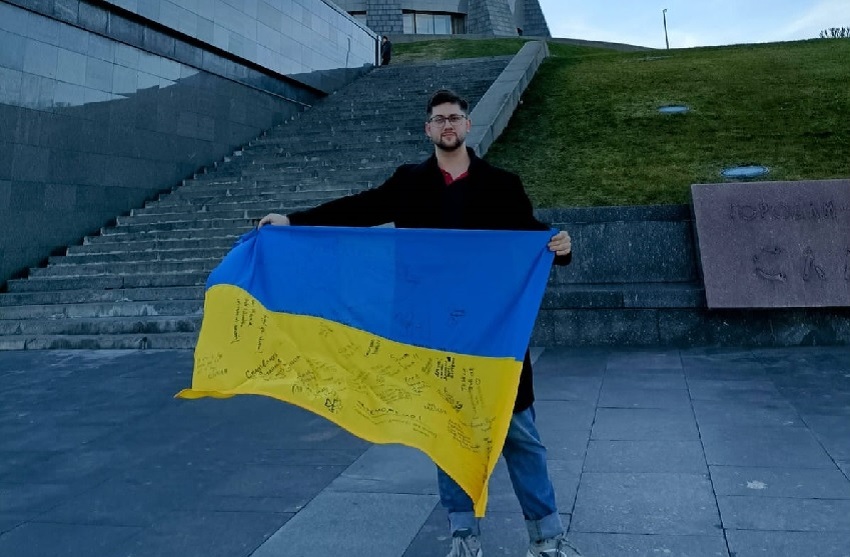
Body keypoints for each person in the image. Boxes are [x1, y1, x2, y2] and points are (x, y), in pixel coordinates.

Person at [258, 89, 582, 557]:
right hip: (433, 335)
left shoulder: (502, 185)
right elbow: (358, 209)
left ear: (467, 125)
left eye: (454, 117)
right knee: (447, 434)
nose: (447, 125)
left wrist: (561, 246)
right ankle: (464, 537)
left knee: (520, 434)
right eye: (438, 119)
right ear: (429, 130)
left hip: (493, 334)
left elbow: (532, 238)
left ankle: (547, 539)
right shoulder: (409, 182)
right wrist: (292, 221)